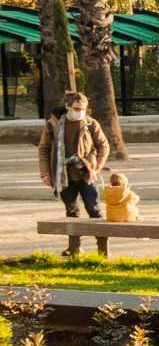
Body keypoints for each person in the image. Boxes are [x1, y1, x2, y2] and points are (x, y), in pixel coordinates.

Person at [38, 91, 110, 257]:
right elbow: (44, 149)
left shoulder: (91, 124)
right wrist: (45, 173)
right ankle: (74, 248)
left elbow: (103, 146)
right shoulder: (53, 124)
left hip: (87, 174)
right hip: (64, 175)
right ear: (67, 106)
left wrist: (96, 168)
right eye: (77, 108)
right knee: (71, 212)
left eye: (83, 109)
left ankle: (102, 249)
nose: (80, 112)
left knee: (94, 210)